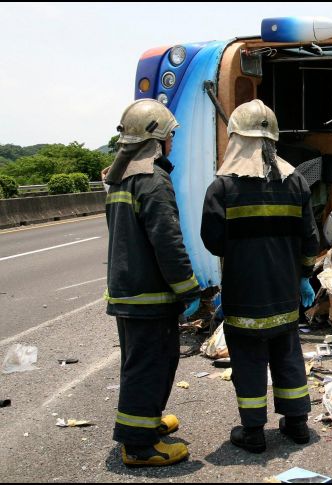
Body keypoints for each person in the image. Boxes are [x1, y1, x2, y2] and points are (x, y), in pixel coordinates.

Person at [201, 99, 320, 453]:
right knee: (287, 354)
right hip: (285, 292)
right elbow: (311, 240)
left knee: (249, 360)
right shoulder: (296, 182)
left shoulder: (221, 188)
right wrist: (303, 276)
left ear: (235, 138)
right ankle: (297, 423)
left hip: (244, 292)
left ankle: (253, 432)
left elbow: (213, 242)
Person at [104, 99, 201, 466]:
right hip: (149, 295)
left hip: (127, 291)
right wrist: (189, 288)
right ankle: (138, 446)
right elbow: (167, 239)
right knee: (151, 365)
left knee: (140, 362)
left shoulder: (121, 176)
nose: (173, 141)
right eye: (171, 134)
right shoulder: (152, 179)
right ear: (157, 137)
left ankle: (146, 423)